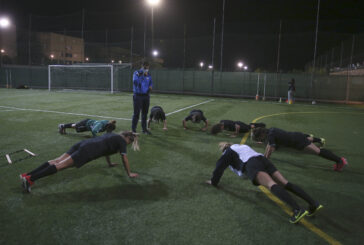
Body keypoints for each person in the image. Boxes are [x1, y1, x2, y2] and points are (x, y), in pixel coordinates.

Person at [206, 142, 323, 224]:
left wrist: (213, 182)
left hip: (252, 165)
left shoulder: (227, 153)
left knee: (271, 185)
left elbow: (218, 169)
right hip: (263, 160)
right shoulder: (242, 146)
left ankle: (297, 210)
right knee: (285, 183)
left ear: (223, 149)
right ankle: (313, 204)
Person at [20, 131, 139, 193]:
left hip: (82, 144)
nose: (128, 145)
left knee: (57, 160)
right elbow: (124, 158)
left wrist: (109, 163)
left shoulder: (113, 136)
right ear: (128, 139)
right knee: (60, 166)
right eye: (129, 143)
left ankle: (27, 175)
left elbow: (106, 151)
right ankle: (30, 180)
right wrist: (129, 173)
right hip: (88, 151)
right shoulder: (122, 142)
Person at [252, 127, 348, 171]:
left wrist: (265, 162)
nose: (261, 140)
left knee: (318, 152)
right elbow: (269, 146)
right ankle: (339, 161)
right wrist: (264, 158)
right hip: (296, 137)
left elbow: (270, 148)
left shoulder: (270, 135)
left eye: (259, 138)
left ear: (262, 134)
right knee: (318, 151)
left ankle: (340, 161)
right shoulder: (270, 131)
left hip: (297, 141)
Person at [132, 61, 153, 135]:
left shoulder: (149, 75)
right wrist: (141, 76)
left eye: (147, 67)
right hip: (138, 96)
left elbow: (151, 83)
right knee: (136, 114)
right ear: (142, 66)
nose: (147, 69)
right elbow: (135, 82)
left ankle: (144, 129)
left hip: (146, 96)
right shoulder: (137, 73)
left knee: (145, 113)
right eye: (145, 67)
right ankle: (133, 130)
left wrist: (150, 87)